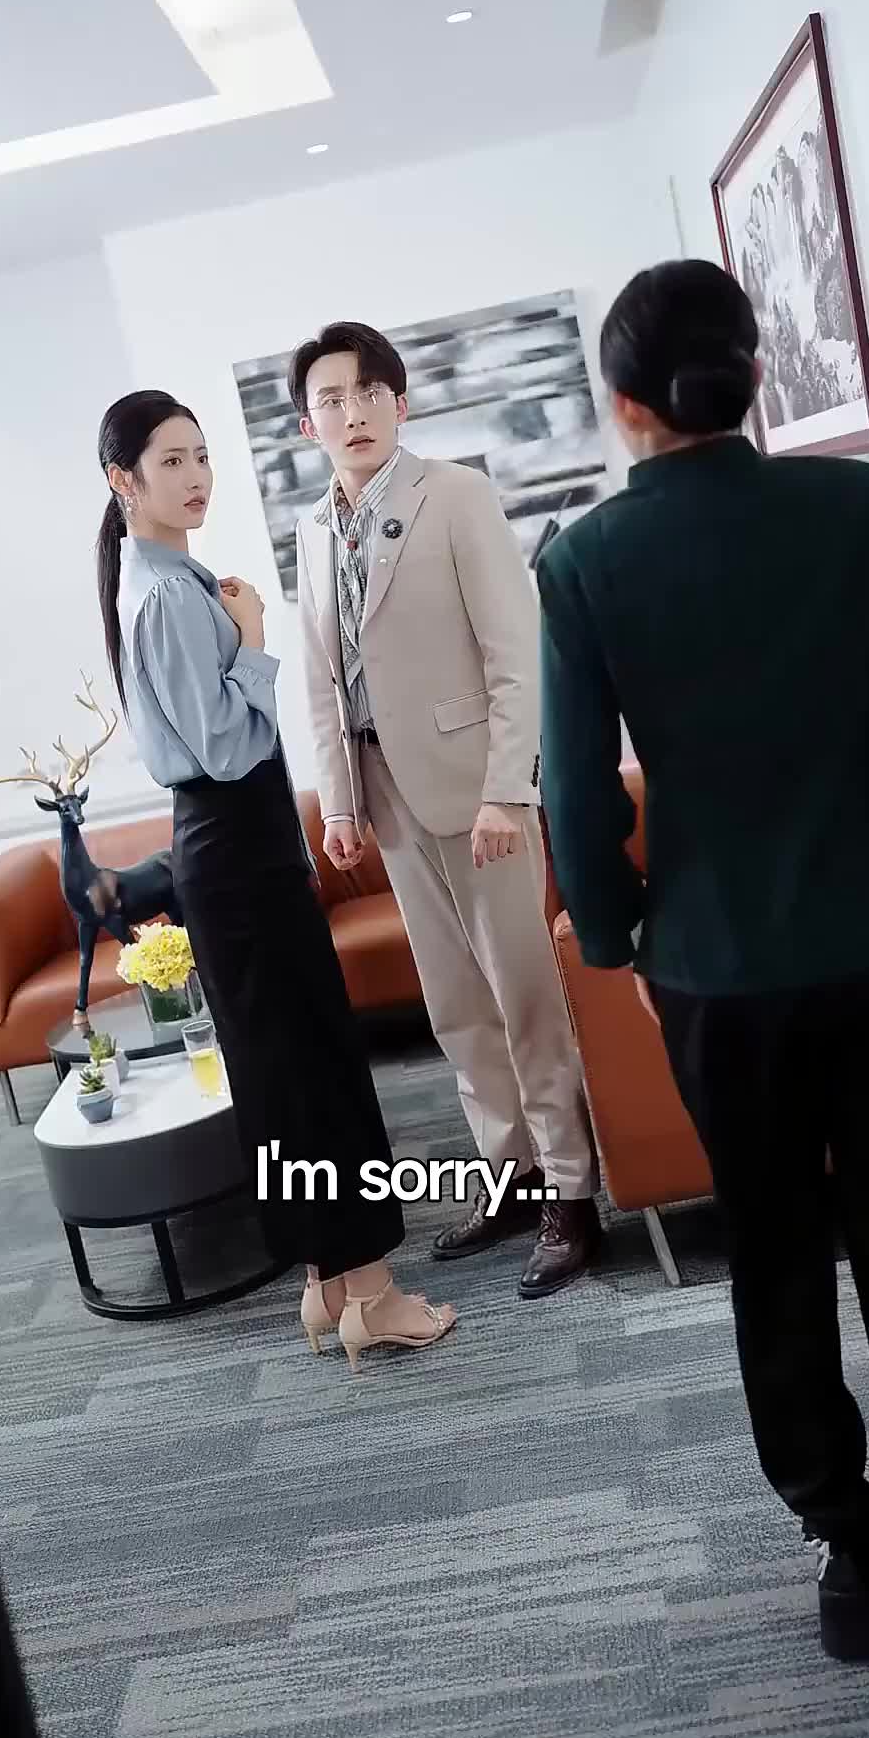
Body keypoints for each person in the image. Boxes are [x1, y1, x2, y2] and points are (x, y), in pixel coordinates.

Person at [536, 257, 869, 1663]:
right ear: (757, 375)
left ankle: (846, 1545)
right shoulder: (853, 505)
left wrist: (620, 937)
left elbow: (577, 794)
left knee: (773, 1253)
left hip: (715, 966)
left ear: (624, 405)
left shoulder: (583, 561)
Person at [95, 390, 456, 1370]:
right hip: (237, 847)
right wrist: (255, 641)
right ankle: (372, 1295)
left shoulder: (165, 580)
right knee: (313, 1069)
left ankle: (328, 1284)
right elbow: (221, 745)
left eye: (201, 455)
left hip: (231, 849)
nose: (197, 476)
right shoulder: (171, 595)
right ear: (124, 479)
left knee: (284, 1071)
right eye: (171, 461)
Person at [291, 323, 600, 1299]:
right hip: (385, 796)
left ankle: (572, 1191)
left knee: (523, 996)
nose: (353, 413)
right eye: (332, 400)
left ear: (401, 402)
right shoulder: (312, 530)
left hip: (478, 793)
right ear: (307, 424)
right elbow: (322, 682)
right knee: (456, 1008)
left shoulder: (456, 495)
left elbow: (517, 656)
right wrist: (339, 804)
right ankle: (510, 1172)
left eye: (368, 393)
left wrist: (509, 789)